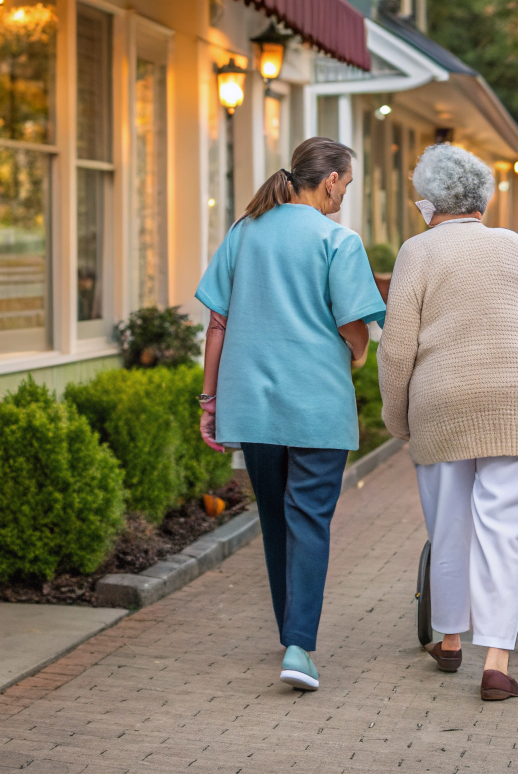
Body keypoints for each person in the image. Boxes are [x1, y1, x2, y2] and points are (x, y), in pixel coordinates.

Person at [377, 143, 518, 702]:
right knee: (507, 533)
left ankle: (450, 641)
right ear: (482, 199)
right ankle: (495, 661)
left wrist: (397, 418)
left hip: (441, 404)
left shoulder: (416, 252)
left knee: (448, 527)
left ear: (430, 201)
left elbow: (396, 349)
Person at [196, 136, 386, 692]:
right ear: (329, 181)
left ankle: (292, 635)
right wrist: (357, 351)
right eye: (345, 187)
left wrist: (209, 402)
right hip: (316, 406)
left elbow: (217, 325)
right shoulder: (337, 240)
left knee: (277, 519)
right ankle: (298, 647)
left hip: (252, 404)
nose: (343, 198)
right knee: (308, 520)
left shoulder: (243, 232)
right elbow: (355, 328)